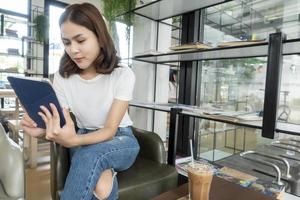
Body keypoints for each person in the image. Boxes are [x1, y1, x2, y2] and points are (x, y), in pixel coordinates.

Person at [20, 3, 140, 200]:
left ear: (100, 37)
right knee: (101, 187)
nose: (73, 50)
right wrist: (41, 131)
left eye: (80, 40)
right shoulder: (62, 78)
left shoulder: (123, 74)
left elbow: (110, 130)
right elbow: (61, 122)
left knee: (89, 156)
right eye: (67, 43)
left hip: (120, 138)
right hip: (84, 135)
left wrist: (74, 140)